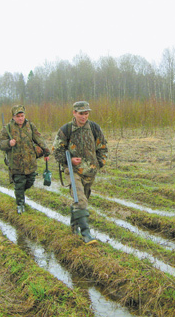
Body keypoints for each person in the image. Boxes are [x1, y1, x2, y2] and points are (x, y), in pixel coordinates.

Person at [52, 101, 108, 245]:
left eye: (86, 113)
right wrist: (69, 159)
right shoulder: (66, 130)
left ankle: (74, 226)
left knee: (81, 201)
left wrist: (99, 163)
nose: (84, 116)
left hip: (90, 172)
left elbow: (102, 148)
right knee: (80, 201)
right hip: (73, 171)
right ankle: (86, 234)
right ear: (74, 113)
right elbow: (57, 151)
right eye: (81, 113)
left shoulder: (95, 128)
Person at [0, 105, 50, 214]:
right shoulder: (7, 128)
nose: (20, 118)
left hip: (30, 161)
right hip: (16, 162)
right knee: (19, 184)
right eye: (18, 116)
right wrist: (8, 143)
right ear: (13, 117)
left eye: (22, 115)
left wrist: (46, 151)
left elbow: (39, 138)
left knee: (30, 181)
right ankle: (20, 204)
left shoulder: (30, 126)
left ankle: (19, 193)